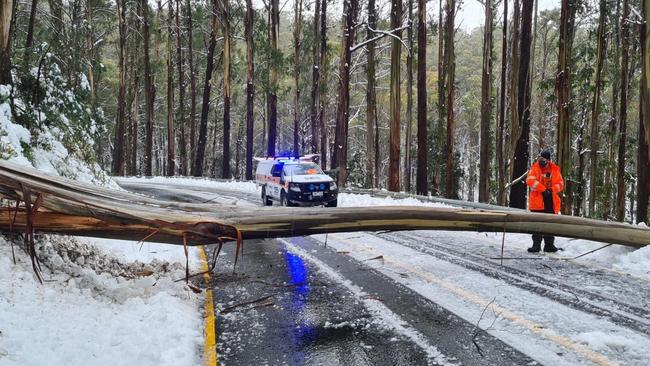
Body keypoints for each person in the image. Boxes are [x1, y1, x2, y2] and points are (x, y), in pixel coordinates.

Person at [525, 149, 564, 252]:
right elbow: (530, 180)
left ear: (548, 160)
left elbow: (560, 184)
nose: (542, 161)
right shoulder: (535, 168)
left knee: (550, 225)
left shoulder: (554, 170)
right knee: (537, 225)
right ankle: (536, 246)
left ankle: (549, 245)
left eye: (544, 159)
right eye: (540, 158)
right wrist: (543, 190)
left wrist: (551, 190)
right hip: (538, 202)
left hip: (550, 201)